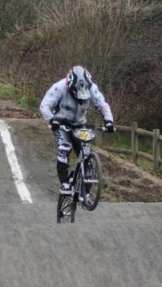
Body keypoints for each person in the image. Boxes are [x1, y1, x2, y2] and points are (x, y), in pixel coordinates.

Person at [39, 65, 115, 194]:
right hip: (61, 122)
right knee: (65, 147)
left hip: (80, 124)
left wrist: (108, 121)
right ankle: (64, 183)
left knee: (85, 151)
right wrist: (52, 119)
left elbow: (102, 104)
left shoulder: (92, 88)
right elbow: (44, 105)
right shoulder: (60, 87)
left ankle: (85, 185)